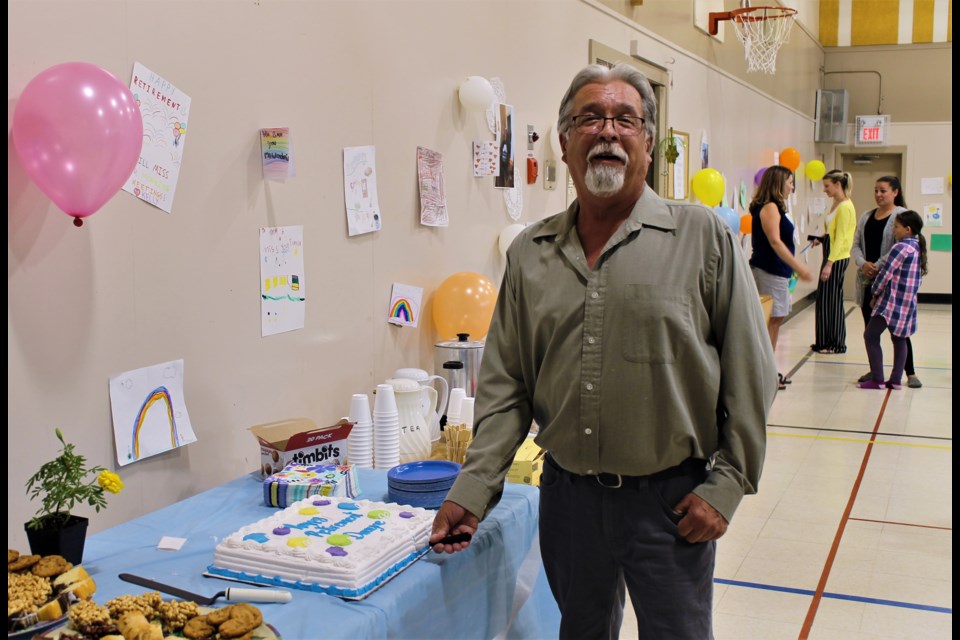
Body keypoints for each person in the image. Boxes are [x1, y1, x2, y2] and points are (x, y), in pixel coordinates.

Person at [428, 63, 777, 639]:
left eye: (625, 119)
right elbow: (506, 386)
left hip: (673, 502)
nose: (607, 131)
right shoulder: (531, 253)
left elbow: (751, 372)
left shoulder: (701, 239)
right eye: (589, 118)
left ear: (648, 142)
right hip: (570, 502)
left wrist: (728, 484)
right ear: (565, 143)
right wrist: (474, 487)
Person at [850, 176, 922, 388]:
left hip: (888, 285)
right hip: (867, 280)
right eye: (876, 191)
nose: (878, 195)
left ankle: (909, 372)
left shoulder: (901, 217)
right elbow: (855, 245)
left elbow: (898, 251)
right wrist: (863, 264)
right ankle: (876, 370)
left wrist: (877, 267)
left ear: (895, 192)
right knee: (870, 329)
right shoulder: (866, 216)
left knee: (899, 333)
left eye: (883, 190)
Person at [748, 165, 814, 390]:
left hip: (776, 272)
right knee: (771, 322)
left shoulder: (774, 208)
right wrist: (799, 267)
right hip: (769, 271)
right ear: (778, 183)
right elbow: (775, 241)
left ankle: (766, 370)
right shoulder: (769, 208)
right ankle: (764, 373)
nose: (792, 186)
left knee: (775, 321)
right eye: (790, 181)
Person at [810, 170, 857, 353]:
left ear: (838, 185)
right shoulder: (836, 204)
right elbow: (832, 232)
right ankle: (823, 340)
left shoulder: (846, 207)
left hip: (836, 258)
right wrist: (821, 238)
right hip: (830, 253)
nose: (824, 190)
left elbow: (843, 238)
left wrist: (829, 264)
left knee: (832, 301)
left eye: (827, 186)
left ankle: (835, 344)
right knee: (824, 300)